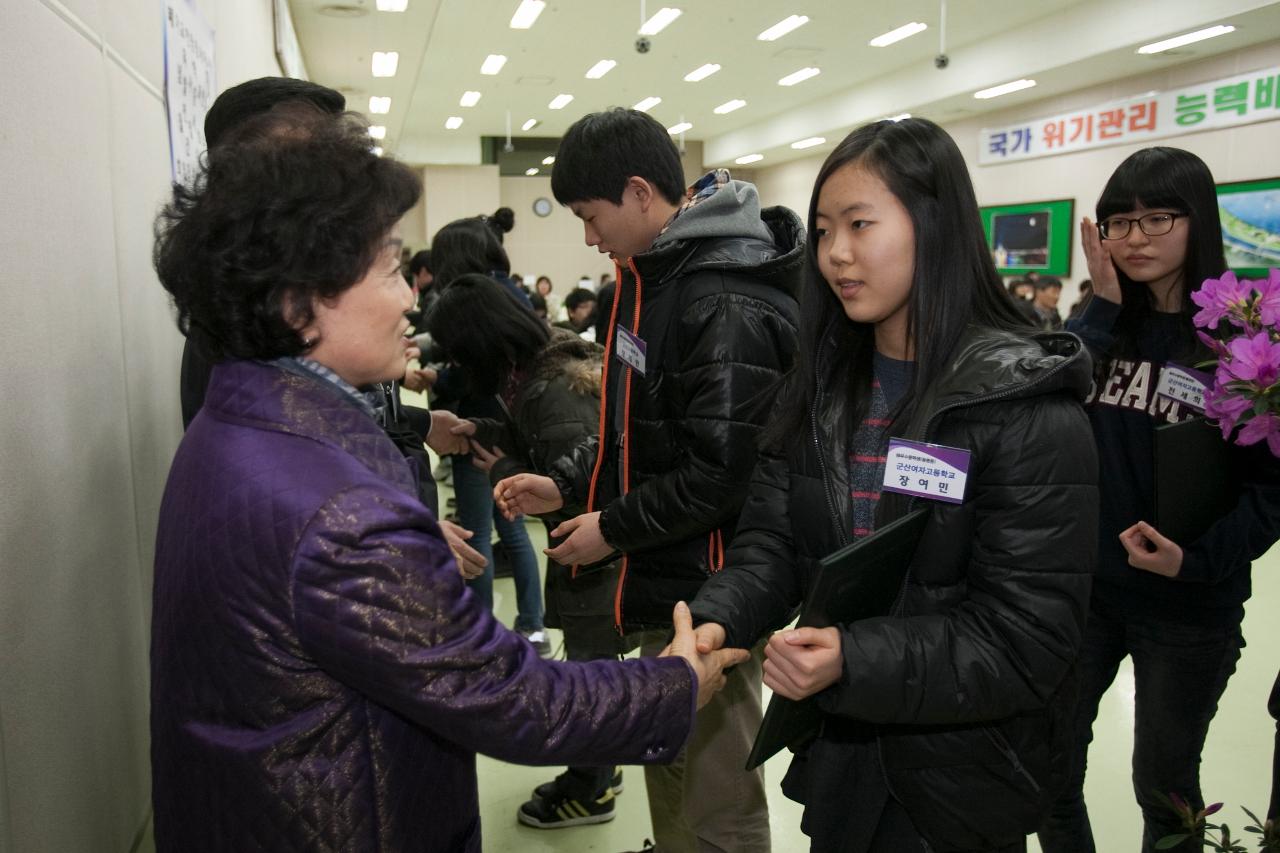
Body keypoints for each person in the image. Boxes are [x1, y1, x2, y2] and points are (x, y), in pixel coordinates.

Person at [149, 103, 747, 853]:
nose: (410, 299)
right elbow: (512, 697)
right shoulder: (343, 514)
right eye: (391, 267)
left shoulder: (232, 420)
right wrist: (674, 685)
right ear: (299, 300)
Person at [689, 117, 1098, 853]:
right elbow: (771, 545)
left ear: (935, 225)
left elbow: (1027, 636)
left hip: (961, 780)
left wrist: (853, 656)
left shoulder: (1023, 406)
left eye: (859, 224)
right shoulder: (820, 389)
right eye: (822, 230)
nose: (835, 253)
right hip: (844, 763)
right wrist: (716, 619)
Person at [494, 106, 803, 849]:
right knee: (676, 775)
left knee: (713, 799)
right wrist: (571, 485)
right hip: (670, 576)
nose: (589, 237)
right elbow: (637, 428)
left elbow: (720, 475)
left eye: (590, 216)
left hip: (712, 592)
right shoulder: (653, 282)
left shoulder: (717, 298)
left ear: (639, 194)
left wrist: (612, 528)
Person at [1038, 146, 1280, 853]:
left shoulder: (1244, 339)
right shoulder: (1103, 325)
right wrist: (1103, 309)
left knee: (1164, 784)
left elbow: (1271, 493)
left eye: (1156, 218)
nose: (1135, 237)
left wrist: (1194, 559)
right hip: (1088, 595)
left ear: (1196, 220)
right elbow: (1044, 405)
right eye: (1119, 222)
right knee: (1050, 770)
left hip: (1189, 606)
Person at [425, 273, 632, 827]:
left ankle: (590, 791)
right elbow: (538, 441)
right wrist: (485, 430)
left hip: (597, 563)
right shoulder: (541, 365)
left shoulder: (549, 389)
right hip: (592, 560)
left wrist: (506, 470)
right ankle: (599, 767)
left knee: (592, 676)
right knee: (595, 671)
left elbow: (577, 490)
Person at [427, 216, 548, 654]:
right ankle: (532, 625)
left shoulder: (474, 298)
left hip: (479, 432)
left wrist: (437, 381)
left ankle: (478, 639)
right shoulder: (506, 290)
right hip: (498, 429)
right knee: (512, 532)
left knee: (474, 535)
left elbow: (470, 375)